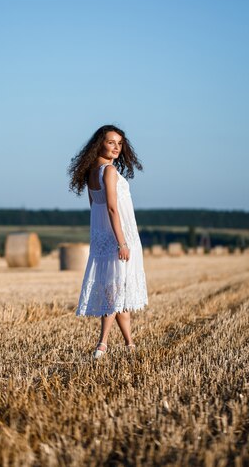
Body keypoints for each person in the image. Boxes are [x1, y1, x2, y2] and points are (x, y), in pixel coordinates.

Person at [68, 124, 148, 359]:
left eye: (119, 143)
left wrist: (105, 237)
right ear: (99, 144)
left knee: (118, 291)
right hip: (119, 237)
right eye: (111, 142)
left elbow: (95, 207)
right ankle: (102, 344)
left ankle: (130, 345)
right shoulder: (109, 171)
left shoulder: (92, 172)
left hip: (103, 237)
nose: (116, 147)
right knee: (115, 294)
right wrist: (122, 242)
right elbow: (112, 208)